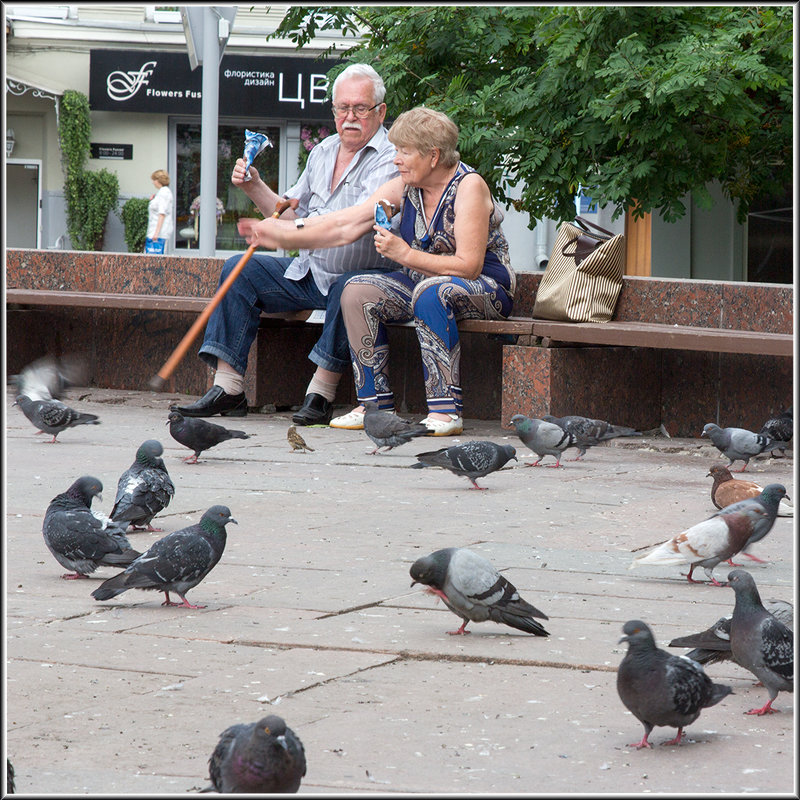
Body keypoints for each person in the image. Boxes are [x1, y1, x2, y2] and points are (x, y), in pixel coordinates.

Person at [238, 107, 515, 437]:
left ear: (433, 155)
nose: (396, 159)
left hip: (486, 287)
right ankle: (375, 407)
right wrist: (280, 230)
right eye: (396, 150)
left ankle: (445, 411)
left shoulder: (469, 186)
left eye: (404, 151)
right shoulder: (405, 186)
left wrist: (406, 254)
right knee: (356, 290)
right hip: (420, 280)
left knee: (432, 293)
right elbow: (345, 223)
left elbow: (468, 265)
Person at [173, 64, 398, 423]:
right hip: (309, 272)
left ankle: (321, 392)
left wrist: (281, 233)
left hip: (363, 277)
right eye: (342, 108)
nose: (350, 117)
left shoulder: (391, 159)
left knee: (349, 286)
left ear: (381, 111)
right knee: (239, 267)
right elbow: (288, 215)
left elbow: (350, 226)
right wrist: (254, 186)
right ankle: (229, 387)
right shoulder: (323, 150)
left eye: (360, 108)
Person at [145, 170, 174, 254]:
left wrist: (156, 234)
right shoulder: (162, 192)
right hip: (155, 232)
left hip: (159, 233)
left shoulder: (164, 193)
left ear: (159, 180)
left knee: (155, 258)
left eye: (154, 180)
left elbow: (162, 213)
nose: (153, 182)